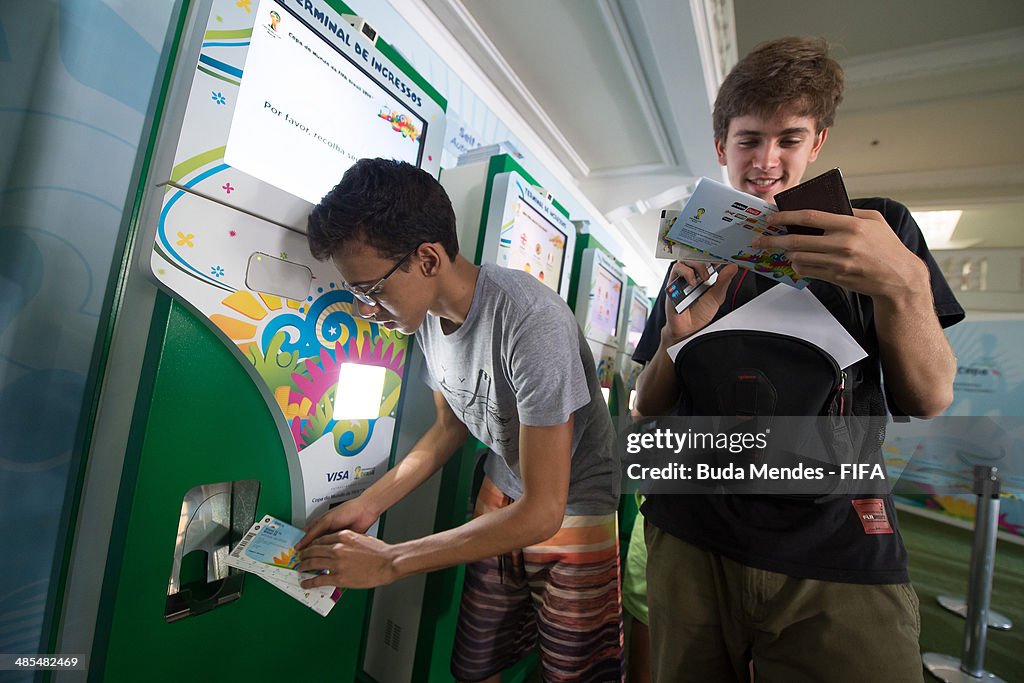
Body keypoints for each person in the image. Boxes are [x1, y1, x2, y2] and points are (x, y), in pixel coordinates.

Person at [632, 37, 964, 682]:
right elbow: (649, 404)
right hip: (693, 530)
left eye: (789, 139)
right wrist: (679, 337)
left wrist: (903, 284)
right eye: (749, 139)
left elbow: (928, 397)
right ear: (720, 147)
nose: (767, 161)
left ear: (817, 144)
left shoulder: (879, 232)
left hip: (837, 542)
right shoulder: (695, 251)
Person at [297, 158, 623, 683]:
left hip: (574, 504)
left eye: (372, 291)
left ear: (427, 259)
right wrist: (367, 503)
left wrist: (392, 561)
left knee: (575, 669)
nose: (366, 310)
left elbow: (545, 510)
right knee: (476, 661)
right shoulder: (425, 319)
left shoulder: (530, 322)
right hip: (502, 488)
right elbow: (449, 429)